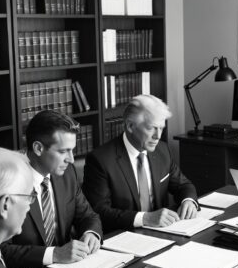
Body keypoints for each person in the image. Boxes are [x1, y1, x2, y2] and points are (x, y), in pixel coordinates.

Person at [1, 110, 103, 268]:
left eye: (72, 150)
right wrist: (53, 254)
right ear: (38, 148)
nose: (71, 159)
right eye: (63, 151)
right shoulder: (8, 183)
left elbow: (88, 215)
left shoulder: (67, 173)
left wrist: (91, 234)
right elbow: (1, 250)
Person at [82, 94, 198, 232]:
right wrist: (145, 218)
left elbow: (183, 185)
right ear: (130, 126)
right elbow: (99, 212)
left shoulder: (162, 150)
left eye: (161, 128)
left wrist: (189, 201)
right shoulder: (100, 160)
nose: (158, 136)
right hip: (123, 236)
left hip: (162, 233)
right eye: (151, 128)